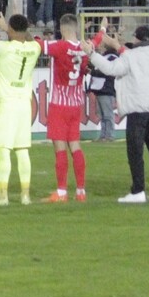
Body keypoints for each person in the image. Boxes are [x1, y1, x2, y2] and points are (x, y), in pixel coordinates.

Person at [85, 24, 149, 203]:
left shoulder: (130, 57)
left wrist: (92, 55)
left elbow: (110, 69)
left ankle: (138, 190)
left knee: (135, 152)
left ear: (137, 39)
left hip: (136, 111)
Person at [0, 0, 42, 206]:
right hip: (24, 104)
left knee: (3, 150)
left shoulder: (4, 47)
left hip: (7, 103)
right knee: (22, 150)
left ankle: (2, 196)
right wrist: (7, 26)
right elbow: (26, 36)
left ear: (10, 30)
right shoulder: (34, 48)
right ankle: (25, 196)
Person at [41, 13, 90, 203]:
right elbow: (86, 67)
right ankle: (81, 191)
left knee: (60, 147)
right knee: (75, 146)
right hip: (76, 103)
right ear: (76, 28)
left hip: (59, 104)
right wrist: (101, 30)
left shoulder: (59, 46)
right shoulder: (85, 48)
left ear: (62, 29)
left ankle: (61, 192)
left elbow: (35, 44)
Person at [86, 29, 119, 144]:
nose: (101, 45)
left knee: (107, 114)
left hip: (106, 89)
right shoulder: (106, 57)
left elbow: (107, 71)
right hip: (101, 90)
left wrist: (92, 72)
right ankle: (104, 135)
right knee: (102, 114)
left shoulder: (113, 57)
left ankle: (109, 135)